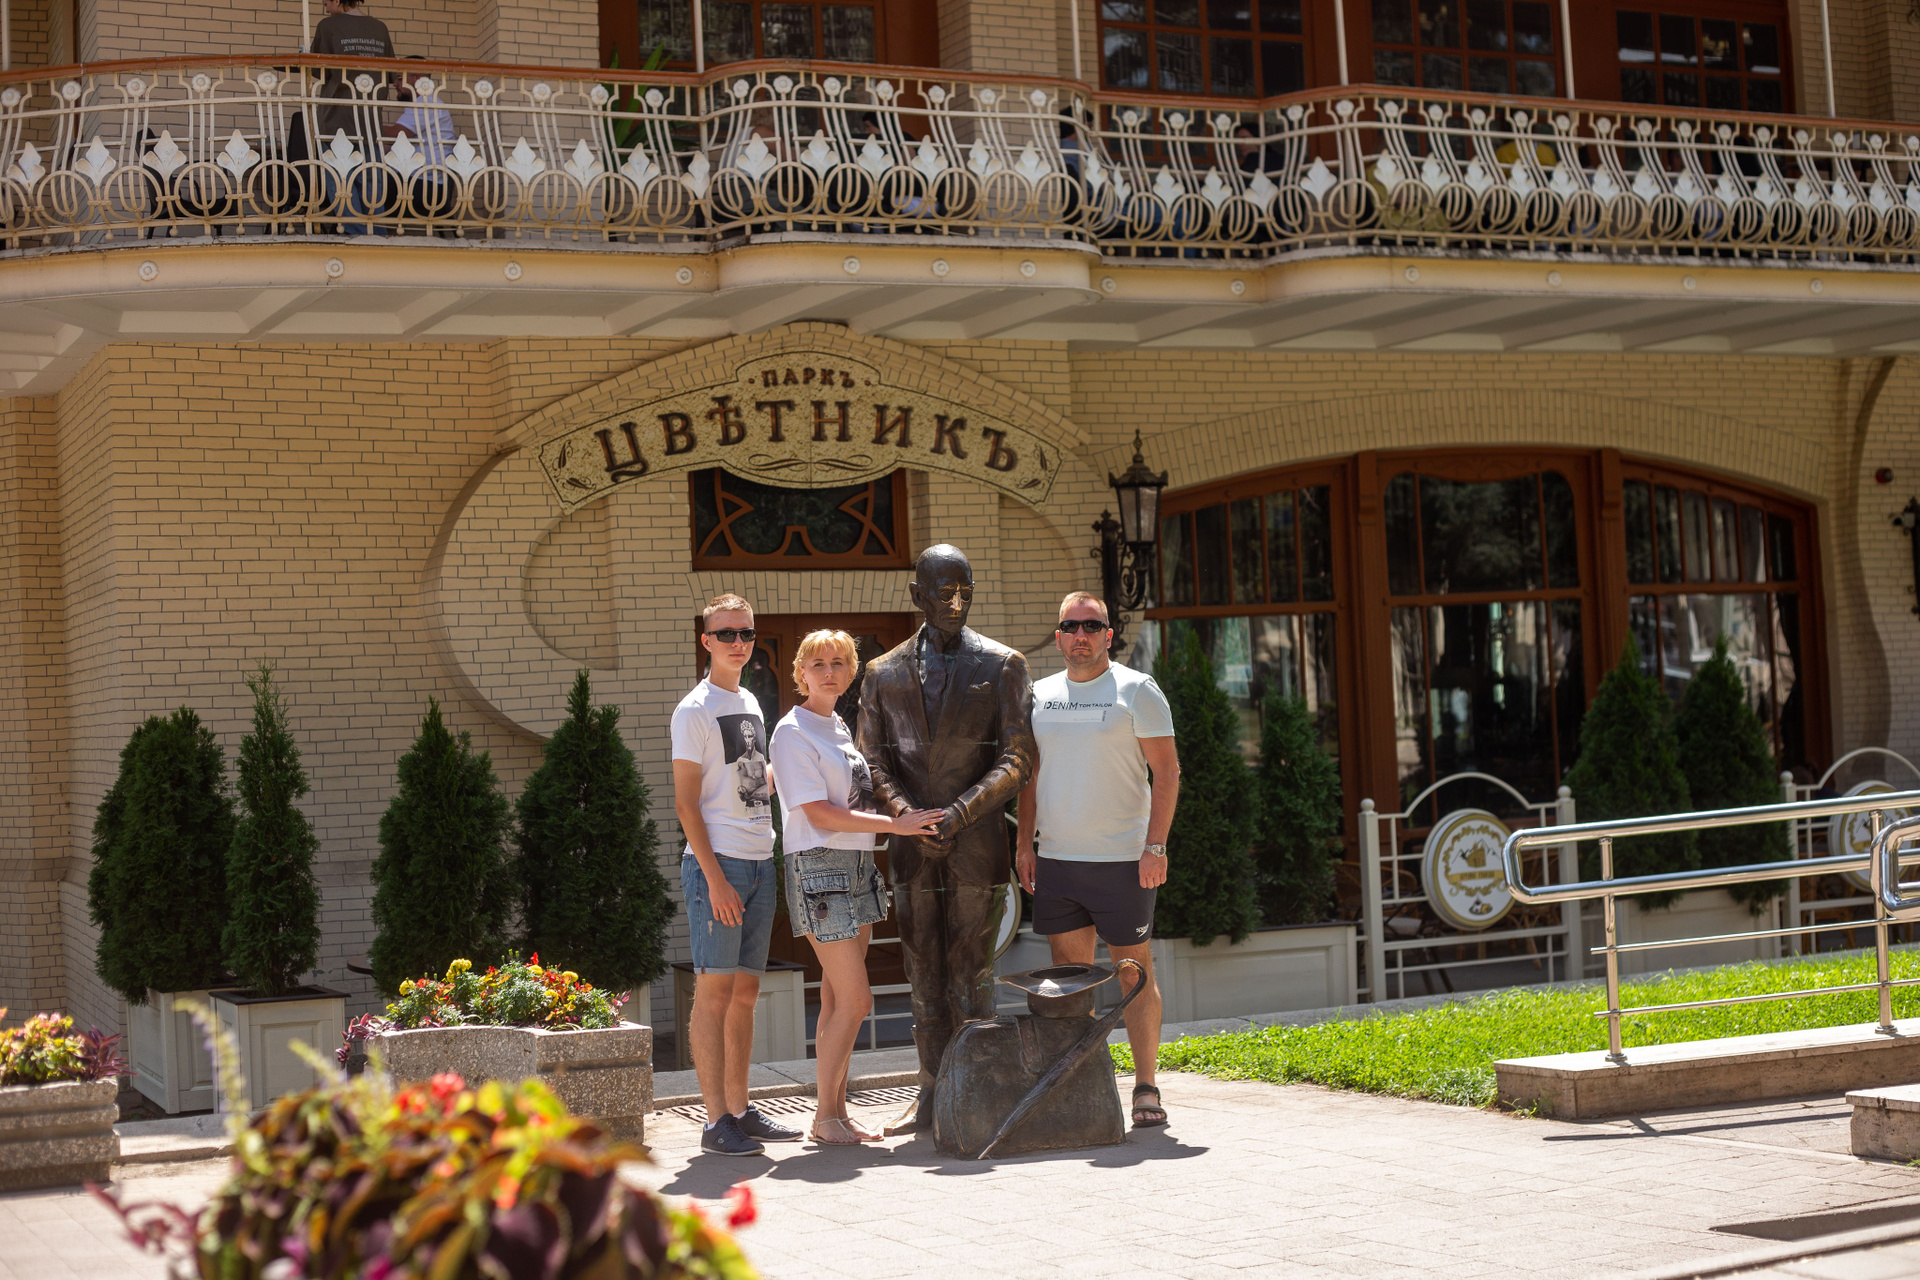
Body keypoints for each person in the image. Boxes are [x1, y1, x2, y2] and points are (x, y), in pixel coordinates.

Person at [855, 544, 1036, 1134]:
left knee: (972, 972)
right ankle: (932, 1091)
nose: (956, 603)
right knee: (923, 974)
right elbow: (871, 759)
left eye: (965, 591)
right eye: (943, 592)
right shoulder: (882, 673)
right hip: (912, 846)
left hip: (976, 843)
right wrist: (908, 815)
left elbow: (1017, 758)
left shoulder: (1004, 664)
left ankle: (978, 1090)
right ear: (917, 595)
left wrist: (959, 813)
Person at [1015, 591, 1180, 1128]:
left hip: (1123, 862)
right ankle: (1086, 1088)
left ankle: (1146, 1087)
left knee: (1134, 975)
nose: (1080, 635)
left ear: (1108, 635)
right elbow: (1029, 777)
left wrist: (1155, 847)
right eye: (1070, 626)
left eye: (1091, 626)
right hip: (1059, 861)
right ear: (1058, 636)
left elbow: (1168, 773)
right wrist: (1024, 845)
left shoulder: (1137, 690)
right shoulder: (1039, 695)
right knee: (1071, 984)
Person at [771, 630, 942, 1144]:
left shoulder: (840, 726)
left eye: (839, 663)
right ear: (800, 673)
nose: (829, 672)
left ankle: (837, 1115)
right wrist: (897, 826)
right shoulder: (791, 732)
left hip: (859, 864)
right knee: (857, 1000)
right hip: (819, 867)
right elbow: (818, 813)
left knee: (835, 1000)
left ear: (851, 672)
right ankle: (825, 1117)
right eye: (818, 663)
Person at [672, 593, 804, 1157]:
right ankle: (714, 1121)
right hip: (718, 866)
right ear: (706, 641)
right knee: (715, 993)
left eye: (746, 633)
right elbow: (685, 804)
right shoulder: (693, 710)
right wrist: (715, 879)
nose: (738, 643)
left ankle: (741, 1110)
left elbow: (749, 781)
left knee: (746, 994)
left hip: (758, 861)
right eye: (726, 634)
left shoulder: (749, 700)